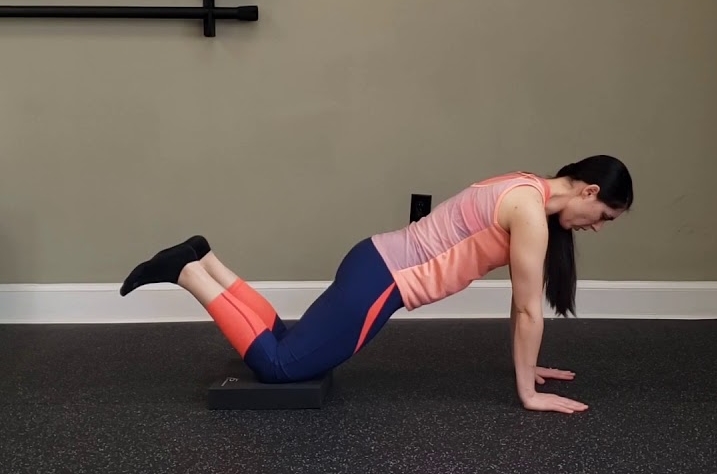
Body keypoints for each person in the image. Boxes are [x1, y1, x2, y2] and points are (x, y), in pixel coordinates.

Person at [120, 154, 633, 414]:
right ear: (589, 192)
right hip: (382, 283)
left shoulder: (524, 184)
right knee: (279, 367)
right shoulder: (530, 212)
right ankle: (188, 272)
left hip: (371, 260)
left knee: (284, 340)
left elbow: (523, 309)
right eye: (605, 216)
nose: (598, 227)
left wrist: (528, 362)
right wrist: (527, 392)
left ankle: (206, 259)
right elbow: (526, 310)